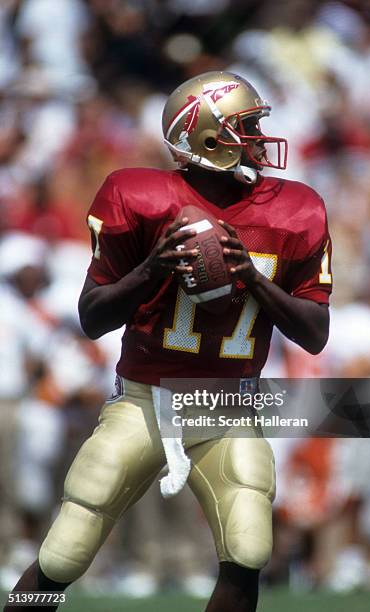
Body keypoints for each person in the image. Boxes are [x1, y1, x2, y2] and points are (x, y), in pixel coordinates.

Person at [4, 70, 332, 612]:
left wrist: (251, 277)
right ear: (205, 136)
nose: (257, 137)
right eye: (245, 126)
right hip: (144, 399)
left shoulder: (295, 209)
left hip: (226, 404)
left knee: (248, 545)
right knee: (66, 550)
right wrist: (151, 270)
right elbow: (91, 317)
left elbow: (314, 335)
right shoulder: (138, 196)